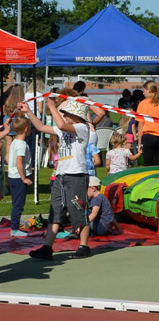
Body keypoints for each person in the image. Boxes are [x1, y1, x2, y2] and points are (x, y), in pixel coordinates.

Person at [19, 97, 95, 259]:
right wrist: (28, 112)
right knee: (55, 211)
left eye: (67, 114)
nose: (65, 116)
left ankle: (84, 246)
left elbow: (61, 124)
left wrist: (52, 105)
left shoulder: (82, 127)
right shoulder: (65, 129)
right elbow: (40, 126)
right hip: (61, 175)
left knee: (78, 211)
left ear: (76, 116)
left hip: (76, 175)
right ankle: (47, 247)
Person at [6, 116, 33, 237]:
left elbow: (7, 158)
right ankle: (15, 228)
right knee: (18, 204)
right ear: (27, 129)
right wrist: (24, 178)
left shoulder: (13, 142)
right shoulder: (21, 144)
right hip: (18, 178)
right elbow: (19, 162)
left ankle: (15, 226)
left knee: (16, 203)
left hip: (12, 176)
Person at [136, 81, 159, 166]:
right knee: (158, 165)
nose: (143, 93)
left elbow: (140, 124)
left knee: (148, 164)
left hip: (149, 137)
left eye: (144, 90)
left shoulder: (143, 104)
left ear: (149, 90)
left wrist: (139, 142)